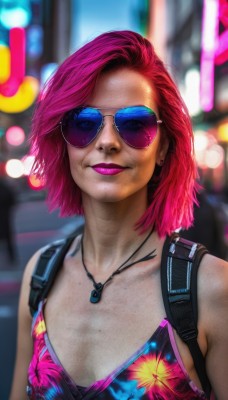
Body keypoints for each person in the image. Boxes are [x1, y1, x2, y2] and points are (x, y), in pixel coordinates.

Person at [10, 30, 228, 400]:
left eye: (134, 124)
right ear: (62, 143)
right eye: (82, 123)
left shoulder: (212, 289)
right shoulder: (40, 276)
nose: (108, 141)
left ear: (163, 148)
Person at [0, 176, 17, 263]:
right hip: (5, 217)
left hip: (4, 217)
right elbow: (12, 200)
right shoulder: (4, 187)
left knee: (7, 239)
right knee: (8, 240)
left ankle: (12, 258)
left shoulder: (4, 188)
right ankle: (12, 258)